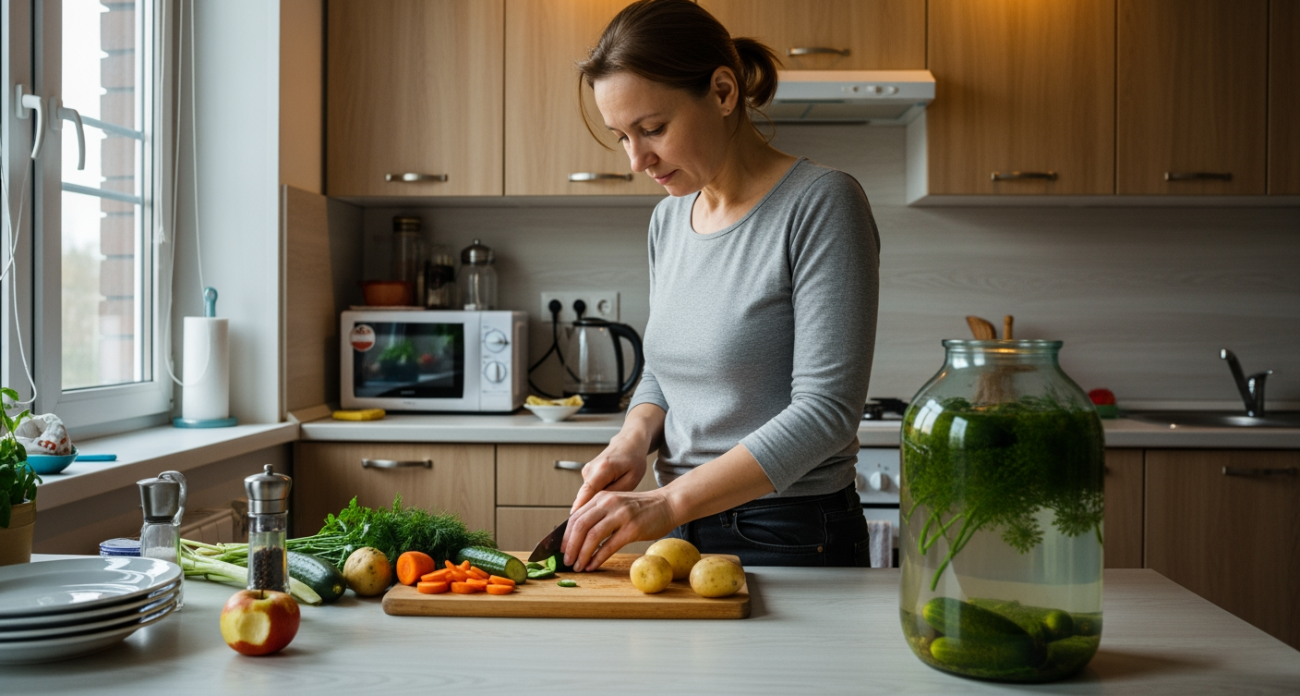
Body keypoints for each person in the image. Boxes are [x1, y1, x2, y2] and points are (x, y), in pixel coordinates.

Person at [560, 0, 880, 572]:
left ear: (725, 92)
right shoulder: (670, 218)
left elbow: (827, 412)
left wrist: (664, 501)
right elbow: (663, 367)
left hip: (790, 529)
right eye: (621, 137)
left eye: (653, 129)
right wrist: (634, 439)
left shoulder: (822, 203)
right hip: (678, 527)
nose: (637, 160)